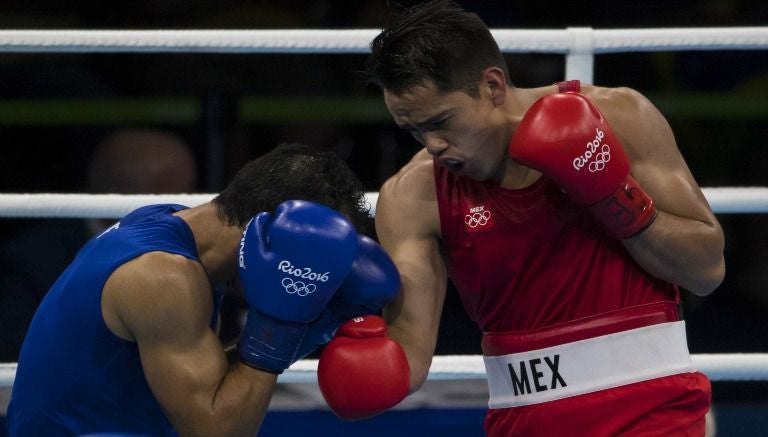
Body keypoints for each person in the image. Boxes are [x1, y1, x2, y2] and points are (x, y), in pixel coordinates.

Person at [316, 1, 726, 436]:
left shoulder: (619, 118)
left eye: (441, 122)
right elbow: (409, 355)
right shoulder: (415, 197)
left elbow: (706, 270)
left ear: (492, 85)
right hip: (525, 422)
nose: (432, 144)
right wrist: (339, 329)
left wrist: (612, 196)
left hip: (653, 411)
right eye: (414, 131)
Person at [6, 142, 401, 436]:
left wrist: (313, 325)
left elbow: (205, 383)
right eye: (311, 260)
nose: (315, 277)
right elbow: (216, 431)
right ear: (269, 231)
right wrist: (281, 327)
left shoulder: (172, 227)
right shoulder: (163, 276)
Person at [0, 128, 198, 362]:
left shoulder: (193, 252)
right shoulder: (31, 260)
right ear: (136, 195)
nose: (191, 207)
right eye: (180, 193)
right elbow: (18, 355)